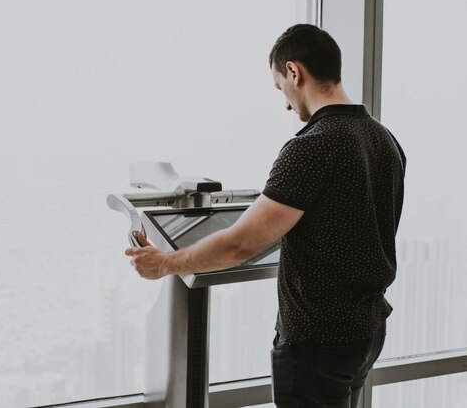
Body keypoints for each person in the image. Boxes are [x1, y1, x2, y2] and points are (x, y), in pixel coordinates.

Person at [125, 24, 406, 408]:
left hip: (317, 342)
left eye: (281, 88)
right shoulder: (383, 139)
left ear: (294, 72)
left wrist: (164, 263)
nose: (286, 105)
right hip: (365, 331)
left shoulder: (312, 147)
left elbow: (241, 243)